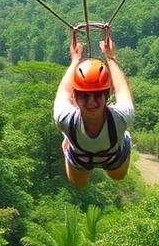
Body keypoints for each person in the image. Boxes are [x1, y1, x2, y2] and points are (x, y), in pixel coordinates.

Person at [54, 28, 134, 187]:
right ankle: (68, 144)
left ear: (106, 96)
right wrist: (75, 61)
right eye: (85, 95)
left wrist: (110, 58)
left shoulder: (121, 118)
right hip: (85, 156)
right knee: (79, 183)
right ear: (75, 97)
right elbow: (64, 91)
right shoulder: (65, 119)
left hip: (108, 156)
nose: (91, 102)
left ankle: (125, 141)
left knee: (117, 176)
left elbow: (122, 90)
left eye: (97, 95)